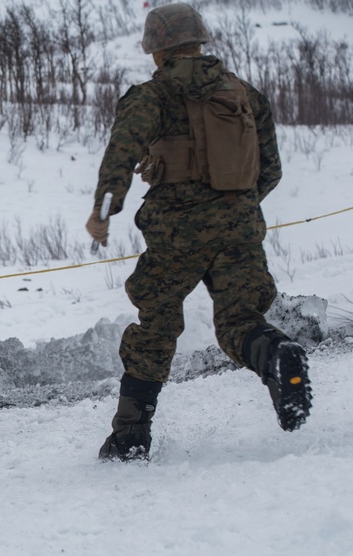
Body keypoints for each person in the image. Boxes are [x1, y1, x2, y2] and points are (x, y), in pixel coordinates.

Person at [85, 3, 312, 462]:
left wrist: (103, 212)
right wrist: (235, 210)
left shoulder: (153, 95)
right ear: (200, 41)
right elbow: (270, 170)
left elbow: (121, 154)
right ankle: (277, 355)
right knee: (240, 320)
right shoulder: (245, 95)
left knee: (157, 326)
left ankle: (130, 437)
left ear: (156, 50)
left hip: (176, 232)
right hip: (241, 227)